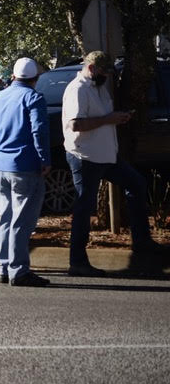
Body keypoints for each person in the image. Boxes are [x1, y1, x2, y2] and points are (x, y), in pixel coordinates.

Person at [63, 50, 166, 276]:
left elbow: (100, 119)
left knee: (137, 184)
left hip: (106, 156)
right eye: (103, 72)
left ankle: (141, 240)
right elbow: (76, 125)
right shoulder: (77, 90)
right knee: (84, 208)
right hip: (86, 157)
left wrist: (117, 118)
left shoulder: (98, 88)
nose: (107, 76)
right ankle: (77, 261)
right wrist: (108, 120)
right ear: (91, 68)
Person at [0, 57, 52, 287]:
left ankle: (4, 266)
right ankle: (18, 270)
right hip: (25, 164)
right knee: (22, 220)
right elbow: (39, 130)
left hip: (0, 163)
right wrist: (45, 159)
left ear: (13, 76)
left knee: (6, 217)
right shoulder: (33, 98)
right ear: (35, 78)